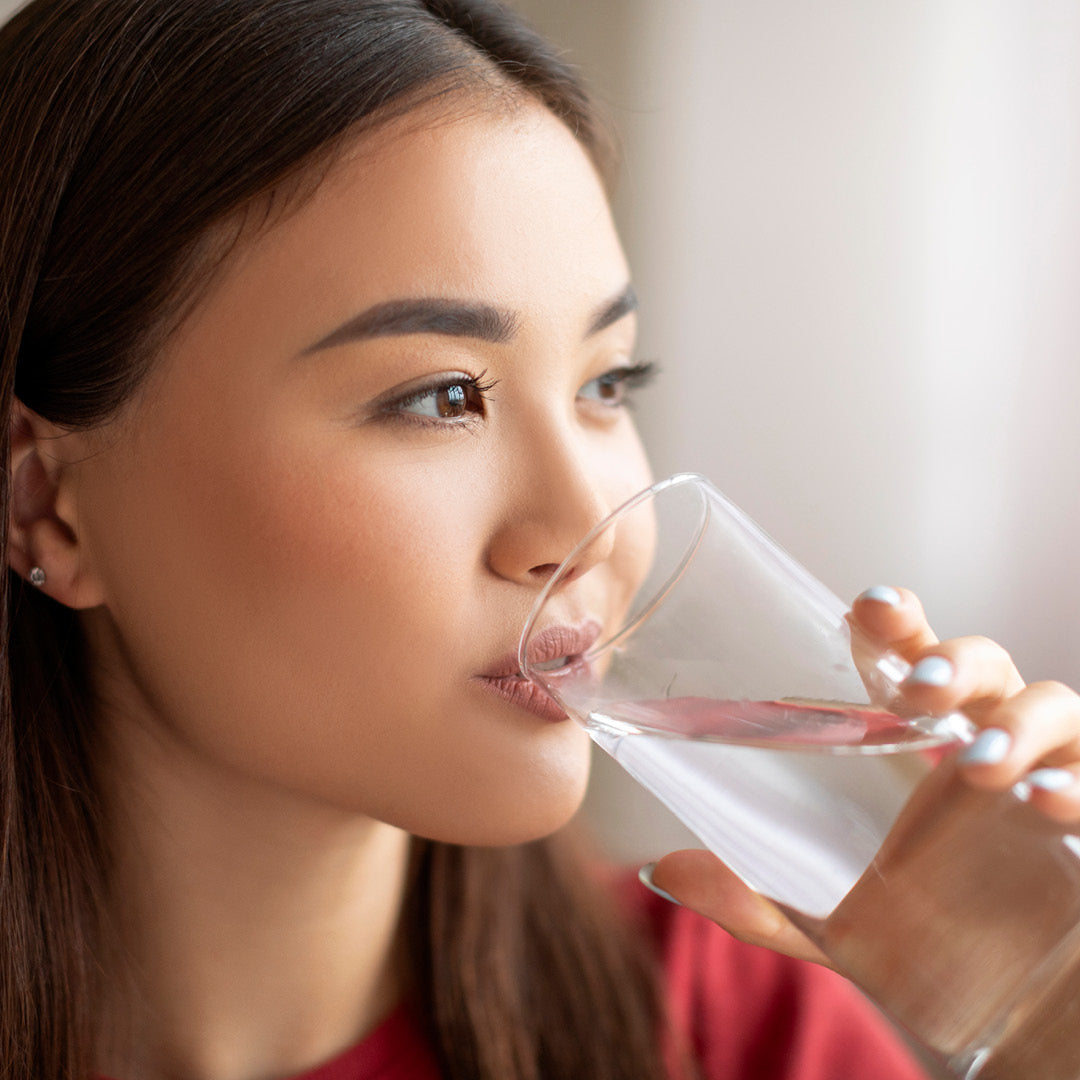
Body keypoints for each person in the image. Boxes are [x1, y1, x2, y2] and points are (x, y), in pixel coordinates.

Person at [2, 1, 1079, 1078]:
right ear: (44, 503)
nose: (584, 527)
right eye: (438, 398)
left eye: (606, 383)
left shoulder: (730, 1034)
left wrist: (1047, 1013)